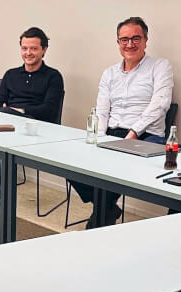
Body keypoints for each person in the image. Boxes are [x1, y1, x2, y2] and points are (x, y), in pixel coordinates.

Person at [71, 16, 174, 228]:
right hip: (112, 133)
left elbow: (161, 104)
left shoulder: (160, 66)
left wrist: (133, 133)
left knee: (112, 166)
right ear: (118, 42)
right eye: (124, 39)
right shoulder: (109, 73)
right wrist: (98, 139)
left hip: (146, 136)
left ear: (146, 40)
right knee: (71, 160)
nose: (130, 44)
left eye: (136, 38)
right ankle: (107, 208)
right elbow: (102, 109)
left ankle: (98, 222)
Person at [0, 27, 64, 224]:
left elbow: (49, 111)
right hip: (8, 126)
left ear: (44, 50)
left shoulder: (53, 77)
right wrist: (14, 112)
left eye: (33, 48)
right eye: (24, 48)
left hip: (37, 131)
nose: (28, 53)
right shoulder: (11, 74)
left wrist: (17, 111)